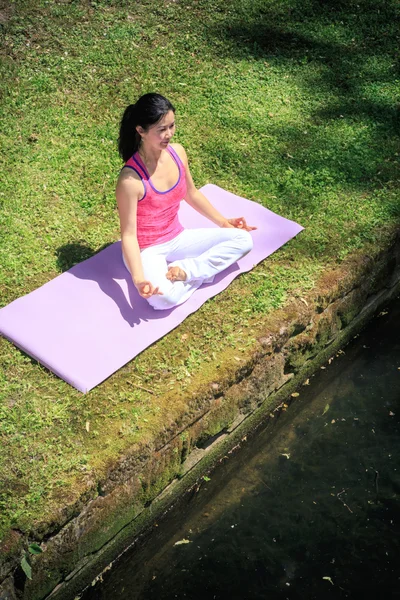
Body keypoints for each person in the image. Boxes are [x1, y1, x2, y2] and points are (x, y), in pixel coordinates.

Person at [116, 93, 256, 310]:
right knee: (162, 300)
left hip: (178, 237)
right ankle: (196, 272)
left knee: (243, 240)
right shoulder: (130, 180)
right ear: (140, 131)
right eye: (161, 129)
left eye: (172, 126)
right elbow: (128, 234)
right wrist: (138, 278)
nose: (169, 134)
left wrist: (223, 222)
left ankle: (187, 270)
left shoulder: (177, 153)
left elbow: (191, 194)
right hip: (147, 250)